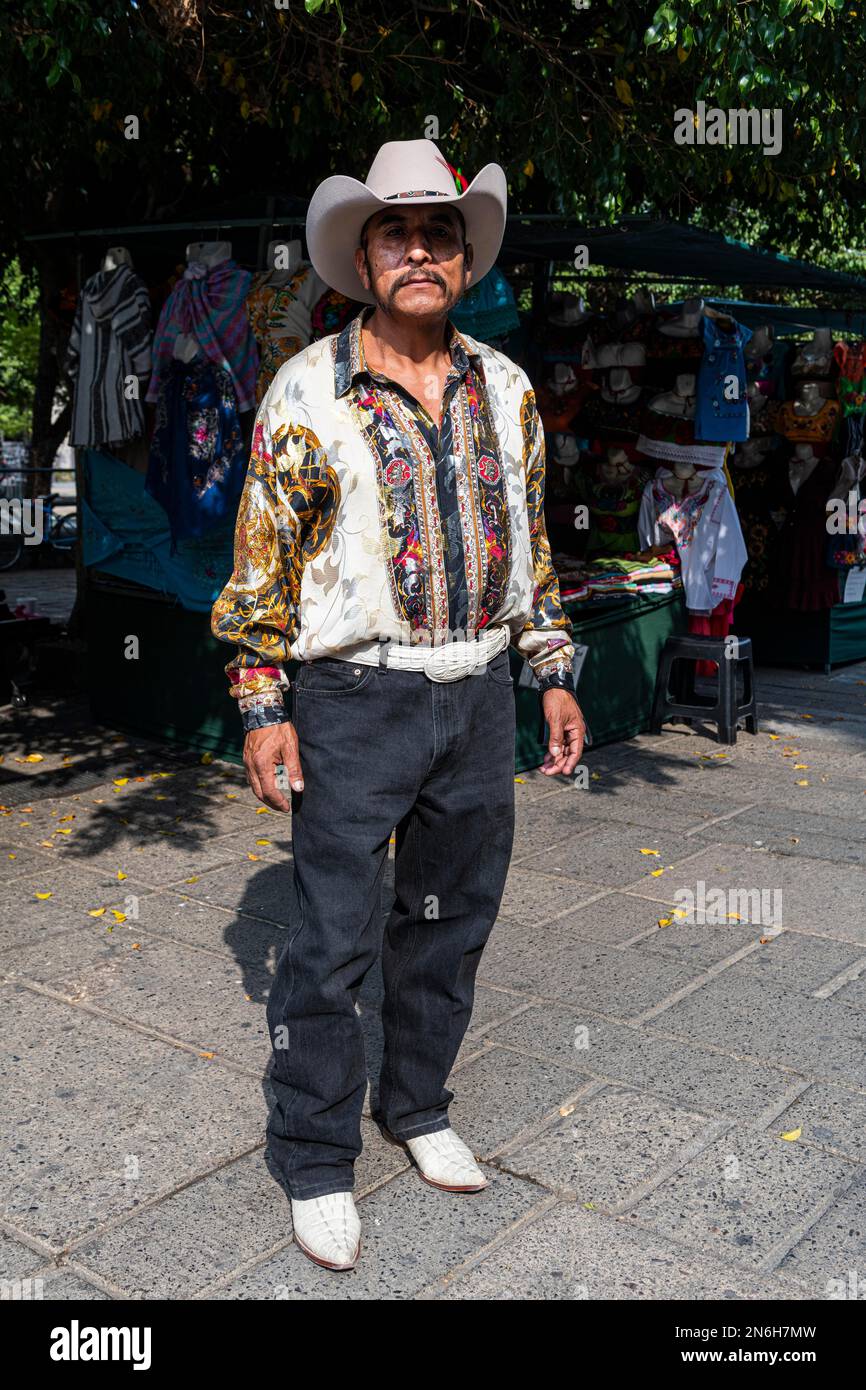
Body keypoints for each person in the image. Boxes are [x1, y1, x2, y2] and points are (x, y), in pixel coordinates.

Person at [211, 139, 586, 1271]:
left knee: (447, 924)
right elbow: (259, 567)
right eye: (395, 232)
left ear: (463, 257)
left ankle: (415, 1105)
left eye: (438, 232)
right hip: (350, 698)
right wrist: (260, 702)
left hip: (475, 696)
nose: (418, 249)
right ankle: (313, 1158)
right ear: (362, 258)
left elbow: (532, 545)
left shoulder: (506, 388)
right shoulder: (305, 389)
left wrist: (552, 667)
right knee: (327, 943)